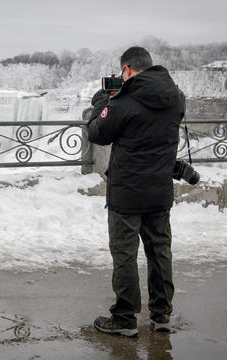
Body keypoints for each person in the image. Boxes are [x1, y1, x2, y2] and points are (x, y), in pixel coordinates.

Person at [87, 47, 185, 336]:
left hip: (127, 193)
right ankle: (162, 314)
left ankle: (125, 318)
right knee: (159, 252)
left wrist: (102, 103)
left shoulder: (125, 101)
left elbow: (97, 132)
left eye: (122, 73)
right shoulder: (176, 97)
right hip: (159, 190)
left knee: (125, 255)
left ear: (127, 70)